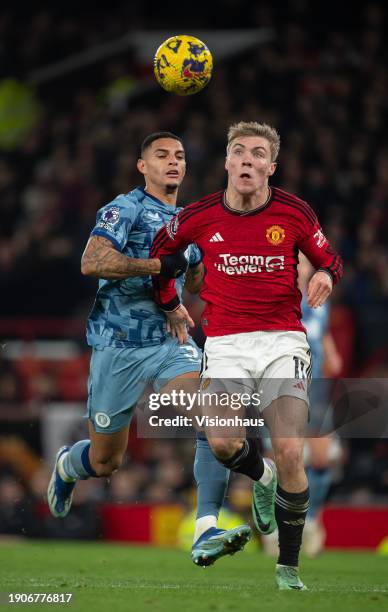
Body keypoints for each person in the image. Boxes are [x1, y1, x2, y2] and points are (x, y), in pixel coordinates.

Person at [150, 121, 343, 590]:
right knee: (222, 444)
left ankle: (288, 567)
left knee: (292, 451)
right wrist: (170, 303)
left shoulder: (295, 212)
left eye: (259, 154)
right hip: (225, 347)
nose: (248, 161)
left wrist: (327, 276)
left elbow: (329, 258)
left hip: (282, 344)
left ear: (270, 167)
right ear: (227, 162)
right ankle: (262, 475)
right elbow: (161, 254)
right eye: (240, 152)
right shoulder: (198, 216)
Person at [47, 131, 251, 563]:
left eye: (179, 155)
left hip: (168, 345)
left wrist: (200, 263)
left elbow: (194, 279)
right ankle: (68, 464)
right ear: (143, 166)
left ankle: (206, 528)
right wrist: (161, 263)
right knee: (105, 463)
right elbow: (92, 261)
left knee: (220, 424)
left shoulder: (190, 221)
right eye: (161, 155)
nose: (172, 162)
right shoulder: (124, 208)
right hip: (116, 348)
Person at [261, 253, 343, 558]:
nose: (298, 268)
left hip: (315, 390)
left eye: (302, 264)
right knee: (280, 458)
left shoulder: (318, 297)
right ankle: (276, 526)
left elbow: (322, 333)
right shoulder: (273, 298)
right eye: (292, 263)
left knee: (322, 459)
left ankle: (309, 520)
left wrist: (330, 352)